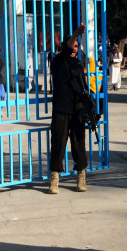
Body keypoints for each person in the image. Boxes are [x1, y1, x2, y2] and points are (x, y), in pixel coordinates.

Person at [49, 23, 89, 194]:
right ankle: (54, 178)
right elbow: (66, 49)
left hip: (77, 110)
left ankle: (81, 175)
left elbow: (83, 86)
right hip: (61, 108)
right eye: (73, 45)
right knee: (58, 144)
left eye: (77, 46)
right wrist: (75, 35)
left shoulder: (79, 64)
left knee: (79, 144)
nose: (75, 48)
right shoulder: (58, 61)